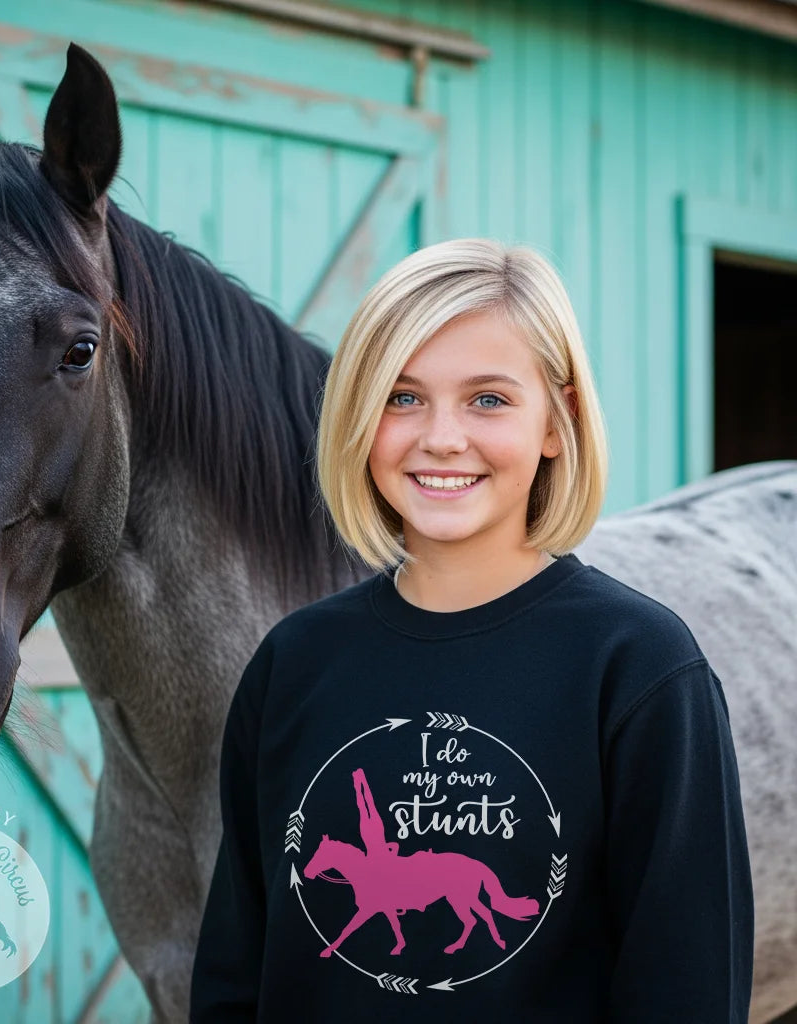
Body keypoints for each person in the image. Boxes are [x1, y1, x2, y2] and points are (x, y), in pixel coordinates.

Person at [189, 239, 754, 1022]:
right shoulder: (294, 663)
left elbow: (686, 986)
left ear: (558, 420)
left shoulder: (638, 665)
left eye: (488, 399)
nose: (442, 438)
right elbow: (233, 971)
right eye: (402, 397)